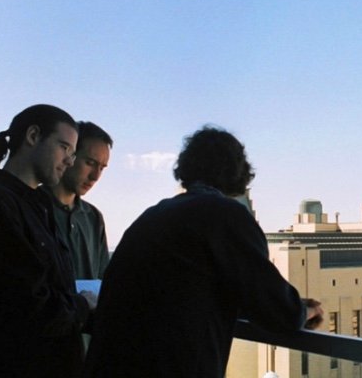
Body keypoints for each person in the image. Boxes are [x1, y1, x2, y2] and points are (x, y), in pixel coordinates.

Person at [84, 126, 323, 377]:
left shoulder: (153, 215)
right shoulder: (226, 216)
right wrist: (306, 311)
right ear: (237, 172)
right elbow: (275, 308)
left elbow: (185, 292)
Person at [0, 104, 96, 378]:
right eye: (64, 147)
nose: (69, 161)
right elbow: (28, 308)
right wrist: (83, 305)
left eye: (73, 153)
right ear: (33, 136)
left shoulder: (30, 204)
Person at [42, 121, 112, 280]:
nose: (95, 176)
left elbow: (102, 278)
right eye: (90, 163)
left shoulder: (93, 217)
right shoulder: (30, 207)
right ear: (69, 156)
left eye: (102, 168)